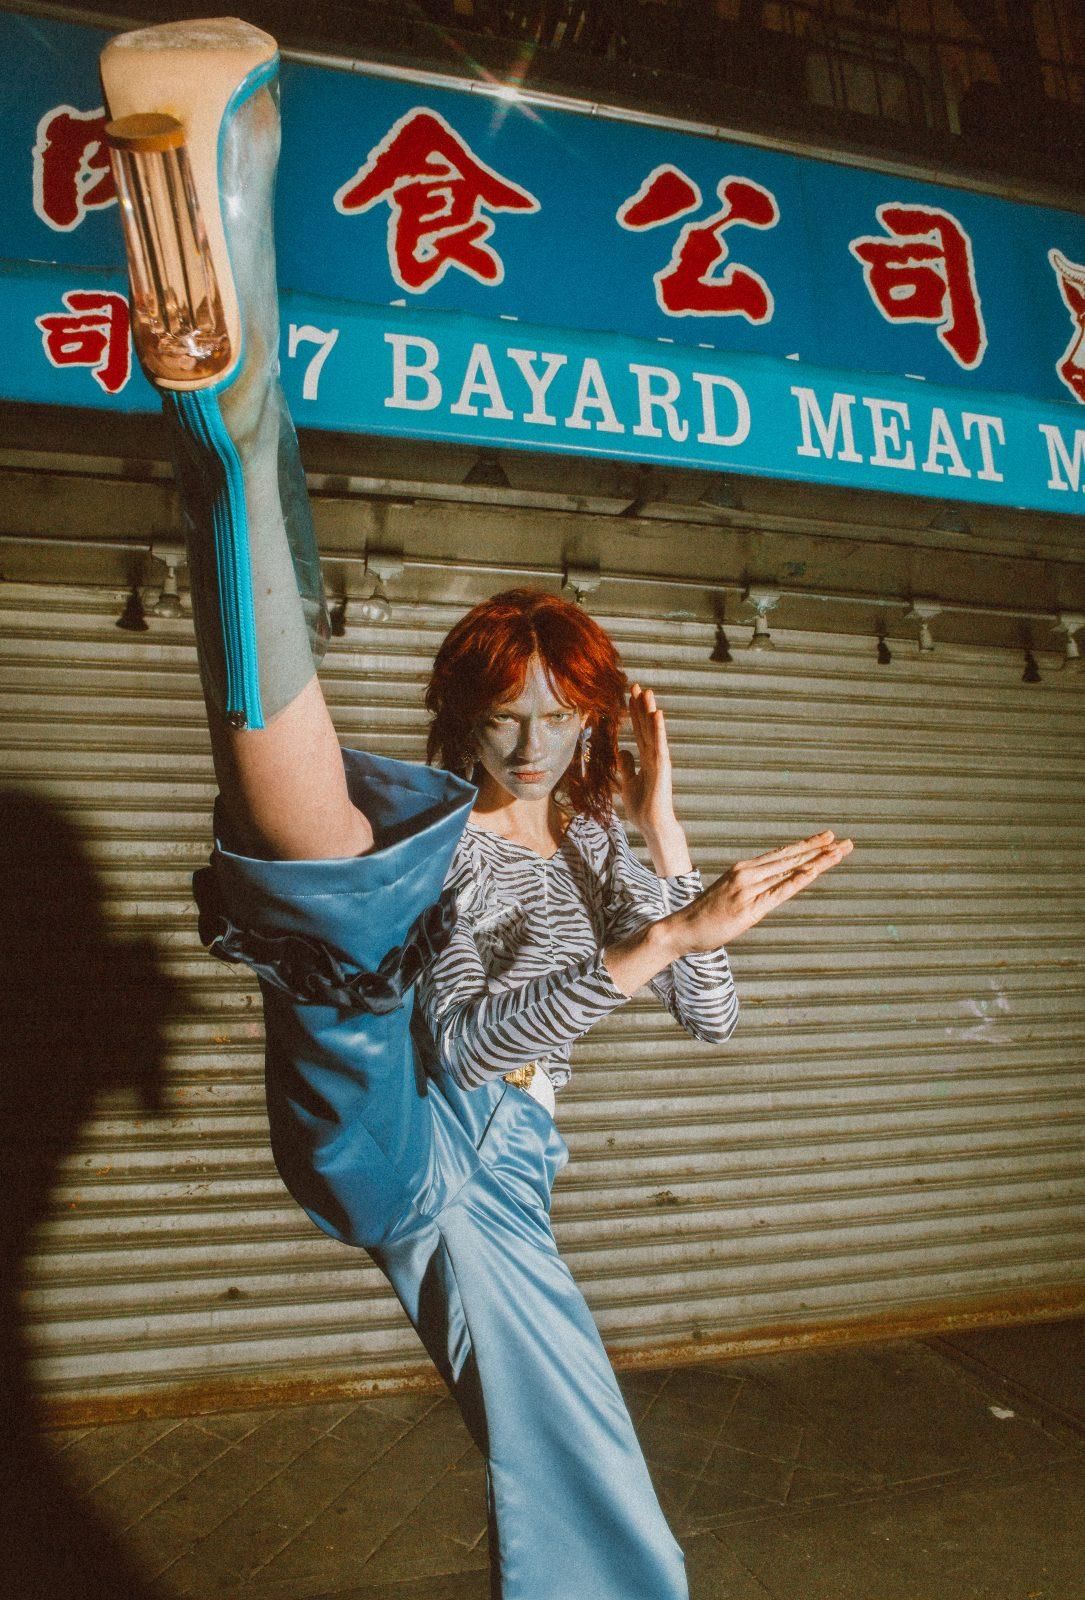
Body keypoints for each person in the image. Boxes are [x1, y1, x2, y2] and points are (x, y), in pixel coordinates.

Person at [100, 19, 852, 1598]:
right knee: (333, 881)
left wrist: (661, 843)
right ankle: (231, 434)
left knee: (330, 905)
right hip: (440, 1143)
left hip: (464, 1156)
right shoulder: (450, 826)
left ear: (589, 725)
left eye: (556, 724)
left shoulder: (582, 840)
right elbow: (477, 1042)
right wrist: (673, 932)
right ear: (466, 710)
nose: (525, 748)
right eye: (504, 720)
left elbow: (705, 1015)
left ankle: (231, 435)